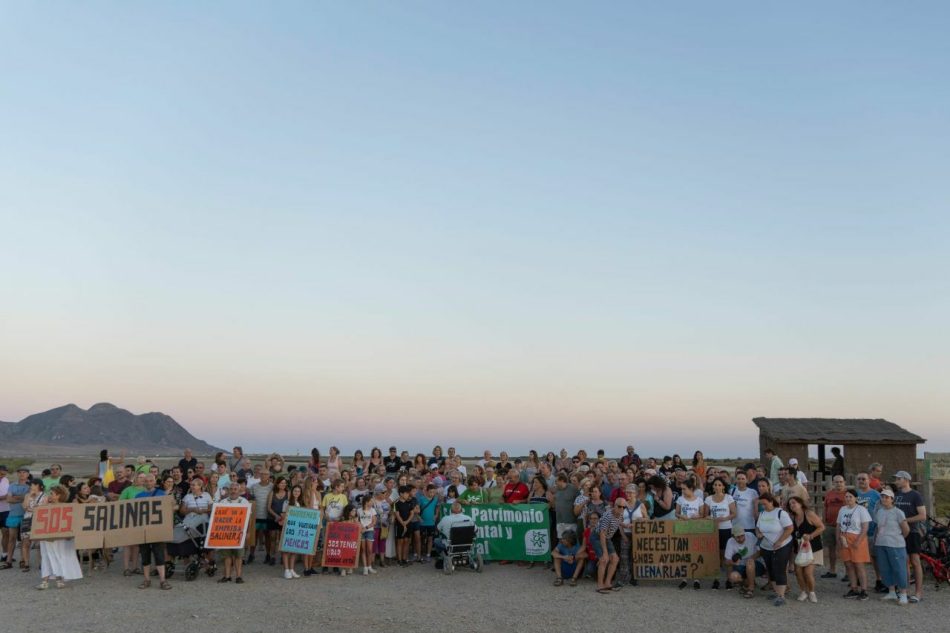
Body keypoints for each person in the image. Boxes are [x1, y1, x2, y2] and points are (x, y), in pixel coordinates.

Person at [36, 485, 83, 589]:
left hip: (60, 537)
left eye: (52, 494)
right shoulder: (45, 506)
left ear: (59, 495)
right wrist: (43, 505)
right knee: (46, 556)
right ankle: (45, 581)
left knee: (59, 556)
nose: (49, 496)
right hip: (47, 536)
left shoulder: (66, 508)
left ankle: (59, 579)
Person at [893, 470, 926, 604]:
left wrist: (905, 521)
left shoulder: (915, 495)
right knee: (903, 561)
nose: (896, 481)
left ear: (906, 480)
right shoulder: (896, 495)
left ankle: (918, 592)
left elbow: (922, 515)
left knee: (915, 561)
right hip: (898, 533)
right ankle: (904, 591)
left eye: (898, 479)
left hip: (912, 532)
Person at [755, 492, 794, 606]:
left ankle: (781, 596)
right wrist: (758, 533)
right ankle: (776, 592)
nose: (763, 506)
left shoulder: (780, 513)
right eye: (761, 504)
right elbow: (757, 527)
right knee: (770, 569)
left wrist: (780, 541)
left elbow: (789, 528)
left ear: (771, 502)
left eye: (764, 503)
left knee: (779, 569)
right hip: (766, 546)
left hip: (781, 545)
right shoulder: (762, 514)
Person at [133, 474, 170, 590]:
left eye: (151, 481)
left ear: (155, 482)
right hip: (143, 530)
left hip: (157, 530)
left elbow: (167, 510)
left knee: (159, 554)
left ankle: (163, 581)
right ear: (144, 482)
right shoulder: (138, 496)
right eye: (146, 481)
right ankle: (146, 580)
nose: (149, 483)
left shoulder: (161, 494)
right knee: (145, 555)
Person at [788, 496, 824, 603]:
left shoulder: (809, 514)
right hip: (799, 549)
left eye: (794, 503)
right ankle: (803, 591)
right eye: (790, 504)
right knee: (798, 572)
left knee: (808, 572)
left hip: (813, 548)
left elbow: (821, 527)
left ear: (800, 504)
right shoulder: (792, 517)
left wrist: (811, 536)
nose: (792, 505)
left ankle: (812, 592)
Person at [838, 488, 872, 600]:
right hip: (844, 537)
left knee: (859, 564)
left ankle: (864, 590)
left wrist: (858, 541)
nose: (848, 499)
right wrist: (839, 538)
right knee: (848, 564)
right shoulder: (842, 509)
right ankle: (854, 588)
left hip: (857, 537)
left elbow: (865, 527)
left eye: (850, 497)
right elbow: (839, 525)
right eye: (846, 497)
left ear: (856, 498)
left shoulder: (861, 510)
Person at [705, 477, 737, 589]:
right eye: (715, 485)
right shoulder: (708, 499)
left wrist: (724, 519)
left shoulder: (729, 498)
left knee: (726, 555)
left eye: (719, 485)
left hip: (726, 529)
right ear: (712, 486)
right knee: (715, 556)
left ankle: (729, 580)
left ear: (723, 486)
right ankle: (716, 579)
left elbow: (734, 513)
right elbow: (705, 515)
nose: (717, 487)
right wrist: (712, 519)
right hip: (714, 530)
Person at [215, 482, 249, 584]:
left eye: (235, 489)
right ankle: (227, 576)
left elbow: (248, 519)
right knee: (227, 555)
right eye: (231, 489)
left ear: (239, 490)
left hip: (239, 533)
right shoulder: (223, 502)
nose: (233, 491)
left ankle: (238, 576)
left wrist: (247, 532)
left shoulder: (244, 502)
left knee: (239, 556)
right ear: (229, 490)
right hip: (226, 533)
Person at [855, 472, 883, 592]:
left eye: (864, 479)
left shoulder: (876, 494)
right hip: (857, 530)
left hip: (872, 529)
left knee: (874, 556)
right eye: (859, 479)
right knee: (857, 557)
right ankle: (858, 579)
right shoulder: (855, 494)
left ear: (868, 480)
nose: (862, 481)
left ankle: (879, 579)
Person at [593, 498, 623, 593]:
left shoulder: (620, 515)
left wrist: (626, 531)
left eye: (624, 507)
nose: (622, 508)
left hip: (607, 537)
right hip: (597, 536)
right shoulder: (608, 516)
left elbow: (619, 524)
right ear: (614, 505)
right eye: (619, 506)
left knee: (615, 559)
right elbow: (602, 533)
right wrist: (605, 552)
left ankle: (607, 583)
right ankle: (599, 585)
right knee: (604, 559)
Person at [725, 524, 764, 598]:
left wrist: (752, 558)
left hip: (755, 564)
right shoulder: (730, 541)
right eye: (738, 537)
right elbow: (727, 561)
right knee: (733, 577)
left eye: (742, 535)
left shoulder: (750, 536)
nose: (741, 538)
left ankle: (751, 588)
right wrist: (733, 562)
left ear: (744, 533)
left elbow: (760, 551)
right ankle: (747, 582)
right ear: (733, 536)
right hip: (741, 566)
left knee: (750, 562)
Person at [3, 467, 30, 570]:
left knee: (24, 539)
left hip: (25, 515)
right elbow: (9, 499)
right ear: (17, 474)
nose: (22, 474)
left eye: (24, 472)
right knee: (11, 538)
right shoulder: (12, 485)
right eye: (20, 472)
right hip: (13, 514)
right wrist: (21, 497)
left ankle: (23, 560)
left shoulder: (30, 486)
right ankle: (8, 560)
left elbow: (28, 498)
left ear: (28, 474)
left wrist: (16, 497)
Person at [821, 475, 847, 579]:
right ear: (833, 483)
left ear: (844, 482)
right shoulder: (829, 494)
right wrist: (823, 522)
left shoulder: (847, 494)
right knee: (831, 549)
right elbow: (825, 507)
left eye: (841, 482)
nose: (839, 484)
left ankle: (848, 573)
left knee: (844, 550)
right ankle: (832, 570)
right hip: (830, 525)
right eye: (836, 482)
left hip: (843, 527)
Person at [247, 470, 273, 564]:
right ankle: (251, 554)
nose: (263, 475)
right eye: (261, 474)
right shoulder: (254, 487)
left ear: (269, 475)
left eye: (265, 474)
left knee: (267, 535)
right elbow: (251, 499)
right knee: (255, 535)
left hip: (267, 515)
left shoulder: (272, 487)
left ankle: (268, 555)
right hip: (256, 515)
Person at [280, 484, 303, 579]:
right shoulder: (286, 502)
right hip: (289, 527)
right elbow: (283, 514)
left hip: (297, 528)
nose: (296, 493)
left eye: (298, 491)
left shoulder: (300, 503)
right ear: (292, 492)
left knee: (294, 550)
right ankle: (286, 570)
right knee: (286, 549)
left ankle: (292, 569)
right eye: (295, 491)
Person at [266, 477, 289, 569]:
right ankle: (273, 556)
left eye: (284, 483)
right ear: (277, 484)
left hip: (284, 519)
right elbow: (268, 507)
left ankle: (282, 557)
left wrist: (283, 516)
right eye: (281, 483)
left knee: (281, 539)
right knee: (272, 538)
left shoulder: (288, 493)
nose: (283, 485)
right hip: (273, 518)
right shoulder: (272, 493)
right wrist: (276, 516)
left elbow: (290, 505)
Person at [394, 485, 418, 567]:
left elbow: (412, 513)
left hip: (408, 524)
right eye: (406, 493)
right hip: (400, 525)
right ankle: (399, 559)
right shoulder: (396, 503)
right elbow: (397, 514)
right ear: (401, 494)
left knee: (407, 541)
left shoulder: (409, 502)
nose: (408, 495)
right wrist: (403, 523)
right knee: (400, 542)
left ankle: (405, 558)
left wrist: (406, 522)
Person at [357, 493, 378, 575]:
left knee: (369, 550)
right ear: (366, 502)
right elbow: (357, 520)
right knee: (363, 550)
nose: (372, 502)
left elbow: (374, 522)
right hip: (361, 531)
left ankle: (369, 567)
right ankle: (365, 568)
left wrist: (365, 528)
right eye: (371, 501)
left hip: (369, 531)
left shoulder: (372, 510)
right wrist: (361, 527)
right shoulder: (359, 510)